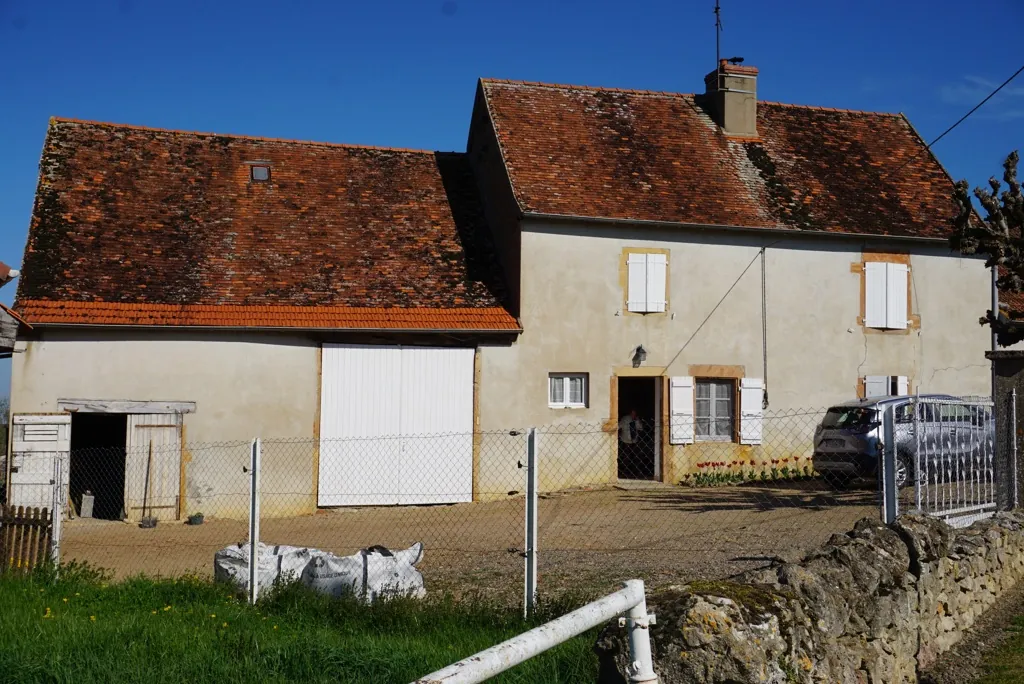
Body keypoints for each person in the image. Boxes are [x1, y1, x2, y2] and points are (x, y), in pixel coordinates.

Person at [618, 409, 643, 477]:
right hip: (626, 440)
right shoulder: (625, 419)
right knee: (626, 457)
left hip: (634, 441)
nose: (633, 415)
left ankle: (636, 472)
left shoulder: (637, 420)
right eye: (632, 413)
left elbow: (640, 428)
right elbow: (619, 426)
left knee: (636, 457)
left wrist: (637, 421)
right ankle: (625, 472)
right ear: (630, 413)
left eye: (635, 414)